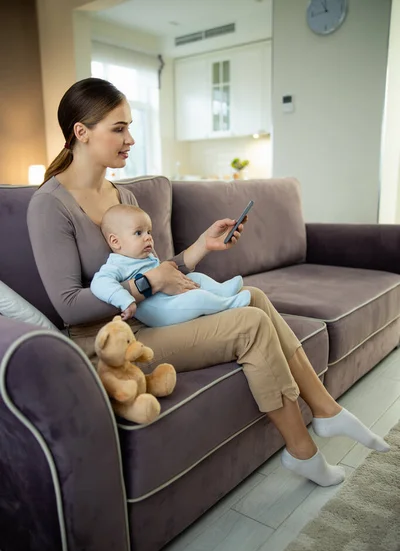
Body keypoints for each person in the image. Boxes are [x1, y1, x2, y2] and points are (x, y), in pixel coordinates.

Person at [27, 78, 390, 489]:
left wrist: (200, 247)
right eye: (119, 128)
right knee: (249, 325)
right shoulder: (49, 206)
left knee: (252, 295)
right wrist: (148, 283)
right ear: (81, 131)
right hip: (111, 344)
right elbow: (71, 306)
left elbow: (158, 270)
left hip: (152, 316)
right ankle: (302, 451)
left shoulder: (121, 196)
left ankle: (325, 409)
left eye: (130, 127)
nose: (130, 139)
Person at [91, 204, 251, 326]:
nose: (148, 238)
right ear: (115, 241)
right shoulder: (117, 263)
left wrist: (204, 244)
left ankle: (223, 291)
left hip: (168, 298)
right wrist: (124, 300)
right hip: (159, 310)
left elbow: (169, 272)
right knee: (198, 297)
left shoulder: (144, 256)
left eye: (149, 232)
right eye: (139, 233)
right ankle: (229, 304)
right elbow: (99, 283)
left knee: (196, 277)